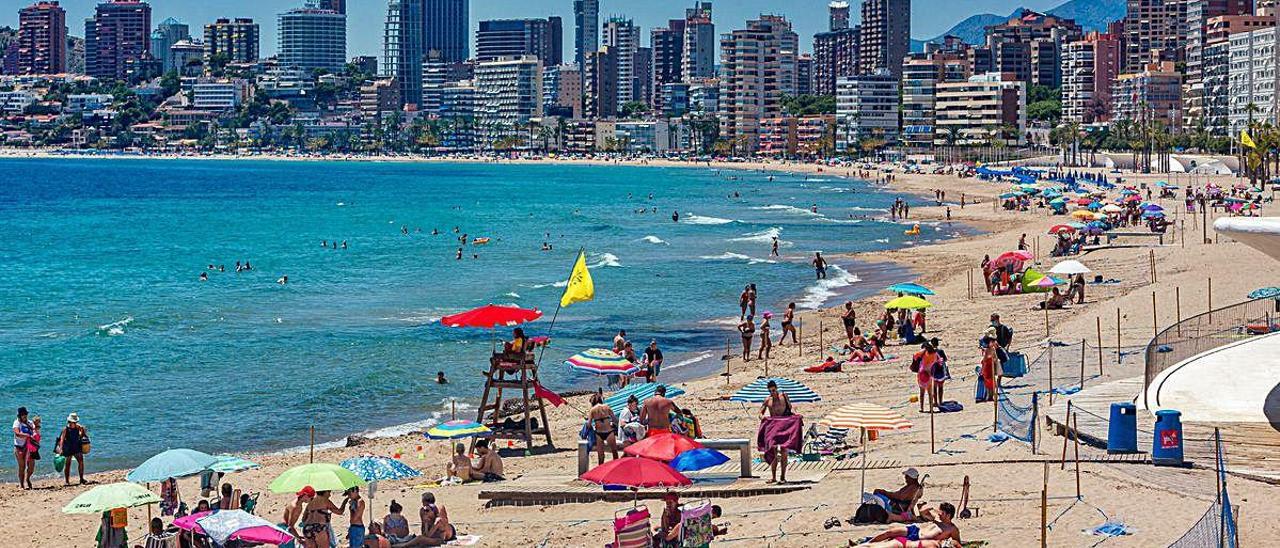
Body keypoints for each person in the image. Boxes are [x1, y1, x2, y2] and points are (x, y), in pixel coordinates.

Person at [851, 503, 960, 548]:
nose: (939, 514)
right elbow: (922, 511)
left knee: (890, 542)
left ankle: (863, 545)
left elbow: (957, 543)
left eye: (942, 513)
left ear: (948, 515)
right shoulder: (937, 518)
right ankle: (867, 542)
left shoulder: (952, 529)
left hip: (918, 539)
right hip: (915, 529)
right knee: (889, 532)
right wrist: (933, 508)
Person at [760, 381, 794, 484]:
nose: (772, 392)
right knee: (772, 451)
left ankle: (783, 476)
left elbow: (791, 408)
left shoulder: (784, 396)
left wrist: (796, 416)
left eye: (773, 390)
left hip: (784, 425)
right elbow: (760, 412)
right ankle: (773, 477)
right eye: (770, 391)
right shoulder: (767, 400)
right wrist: (763, 417)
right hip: (773, 426)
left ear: (776, 388)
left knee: (784, 451)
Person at [55, 412, 87, 486]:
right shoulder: (65, 429)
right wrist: (61, 449)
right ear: (69, 422)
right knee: (68, 464)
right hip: (68, 448)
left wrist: (83, 431)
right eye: (73, 422)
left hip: (76, 447)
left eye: (75, 422)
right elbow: (62, 439)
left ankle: (81, 478)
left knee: (81, 462)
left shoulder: (78, 427)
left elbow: (82, 436)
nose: (74, 423)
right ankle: (67, 481)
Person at [587, 393, 619, 464]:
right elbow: (614, 419)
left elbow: (588, 424)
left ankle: (600, 471)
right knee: (614, 452)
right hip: (609, 432)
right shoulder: (607, 407)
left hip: (599, 434)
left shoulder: (592, 410)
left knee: (601, 456)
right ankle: (617, 469)